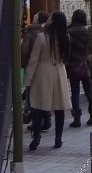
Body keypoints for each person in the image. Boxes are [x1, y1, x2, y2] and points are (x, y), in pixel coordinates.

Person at [24, 11, 69, 150]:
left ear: (53, 21)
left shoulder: (42, 37)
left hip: (42, 73)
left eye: (50, 18)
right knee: (59, 108)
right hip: (59, 72)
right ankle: (58, 138)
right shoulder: (65, 37)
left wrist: (28, 79)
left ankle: (36, 137)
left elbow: (34, 60)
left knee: (38, 107)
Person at [65, 10, 92, 127]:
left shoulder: (68, 32)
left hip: (73, 65)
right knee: (89, 91)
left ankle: (77, 118)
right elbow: (90, 49)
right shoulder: (87, 32)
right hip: (85, 65)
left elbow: (67, 51)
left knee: (75, 92)